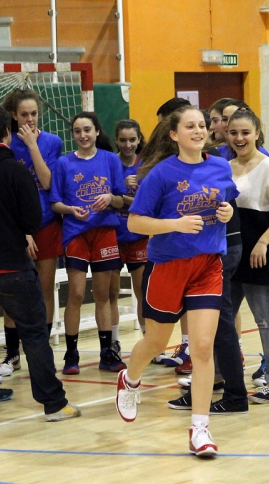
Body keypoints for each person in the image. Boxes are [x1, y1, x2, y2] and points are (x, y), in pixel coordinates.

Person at [115, 105, 237, 457]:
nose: (198, 130)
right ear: (174, 134)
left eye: (202, 125)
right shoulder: (161, 174)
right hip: (168, 266)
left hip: (207, 266)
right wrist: (175, 224)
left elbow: (227, 205)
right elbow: (135, 222)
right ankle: (130, 378)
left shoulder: (220, 166)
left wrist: (228, 212)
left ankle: (200, 429)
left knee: (202, 348)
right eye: (190, 126)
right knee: (156, 342)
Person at [0, 103, 80, 425]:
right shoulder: (16, 171)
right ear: (7, 132)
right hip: (12, 270)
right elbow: (32, 220)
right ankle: (53, 404)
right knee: (34, 336)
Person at [227, 108, 269, 404]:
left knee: (266, 320)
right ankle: (216, 377)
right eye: (234, 133)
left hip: (264, 255)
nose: (239, 138)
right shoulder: (224, 168)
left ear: (257, 133)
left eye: (245, 132)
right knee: (222, 319)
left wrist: (263, 241)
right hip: (232, 255)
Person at [50, 111, 126, 375]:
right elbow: (55, 203)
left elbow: (121, 199)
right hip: (76, 233)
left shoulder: (110, 159)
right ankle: (71, 354)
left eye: (87, 130)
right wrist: (70, 210)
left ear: (96, 132)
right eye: (77, 131)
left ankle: (107, 352)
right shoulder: (63, 163)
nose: (82, 135)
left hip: (104, 232)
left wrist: (110, 198)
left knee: (103, 295)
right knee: (76, 294)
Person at [0, 89, 64, 372]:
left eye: (34, 114)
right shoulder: (6, 144)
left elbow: (47, 182)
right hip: (15, 228)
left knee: (44, 288)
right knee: (13, 292)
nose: (30, 119)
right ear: (13, 115)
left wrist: (33, 146)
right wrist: (22, 230)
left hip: (46, 222)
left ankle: (42, 351)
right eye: (24, 114)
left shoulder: (52, 142)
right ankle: (12, 353)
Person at [109, 119, 150, 359]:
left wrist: (122, 198)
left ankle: (149, 343)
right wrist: (121, 187)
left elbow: (148, 205)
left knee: (143, 291)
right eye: (123, 140)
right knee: (111, 293)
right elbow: (105, 196)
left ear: (139, 139)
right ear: (116, 140)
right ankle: (113, 342)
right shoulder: (110, 163)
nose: (127, 145)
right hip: (113, 236)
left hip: (138, 237)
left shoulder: (146, 165)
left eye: (132, 139)